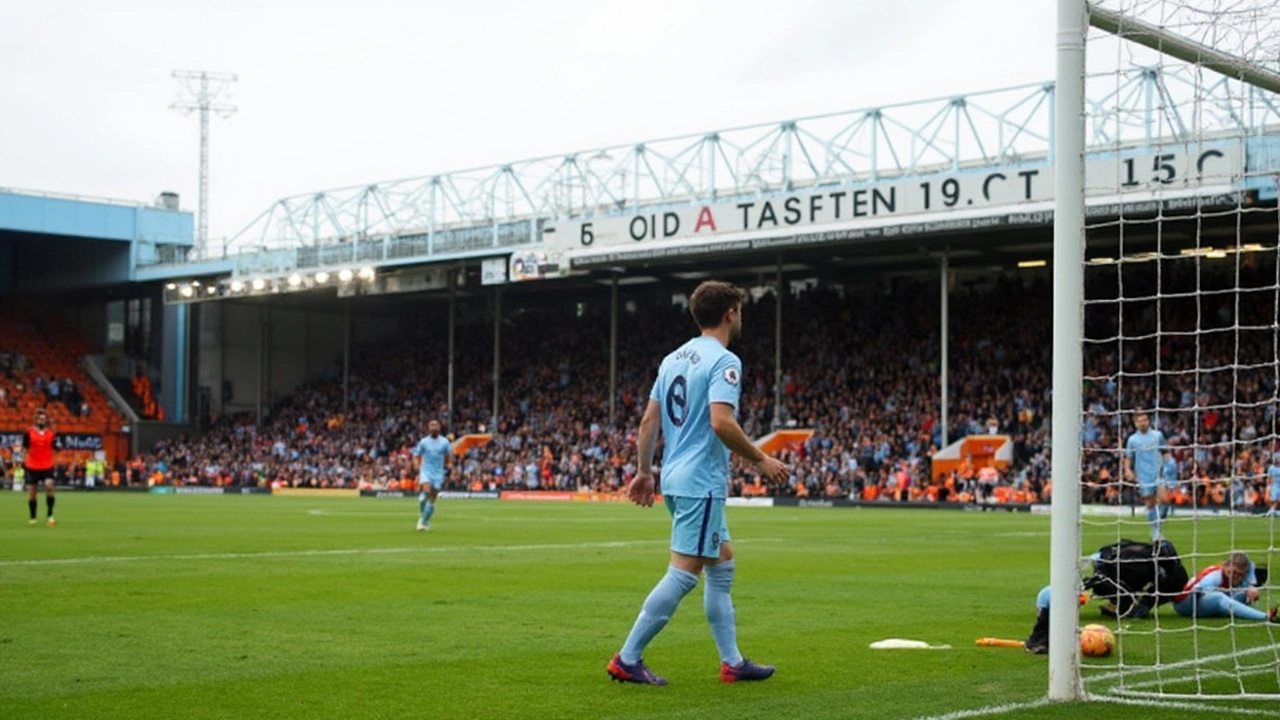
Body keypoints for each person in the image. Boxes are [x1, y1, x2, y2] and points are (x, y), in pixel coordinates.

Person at [607, 280, 789, 686]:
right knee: (684, 573)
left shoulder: (673, 358)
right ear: (729, 313)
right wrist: (760, 459)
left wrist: (643, 470)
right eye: (739, 311)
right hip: (700, 482)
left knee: (722, 566)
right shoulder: (724, 360)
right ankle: (628, 657)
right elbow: (721, 422)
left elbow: (649, 420)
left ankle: (733, 662)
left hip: (674, 476)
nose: (740, 318)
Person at [1173, 551, 1277, 622]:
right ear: (1225, 566)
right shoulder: (1215, 576)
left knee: (1243, 595)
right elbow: (1200, 590)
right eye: (1232, 572)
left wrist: (1251, 586)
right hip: (1187, 604)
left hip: (1204, 598)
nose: (1234, 577)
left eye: (1240, 575)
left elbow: (1251, 564)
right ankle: (1265, 616)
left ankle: (1228, 608)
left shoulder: (1246, 569)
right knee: (1219, 597)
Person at [1123, 412, 1168, 541]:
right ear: (1136, 423)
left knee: (1164, 500)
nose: (1143, 423)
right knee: (1150, 504)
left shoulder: (1157, 436)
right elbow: (1128, 457)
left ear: (1149, 421)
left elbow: (1164, 452)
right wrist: (1128, 470)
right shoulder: (1132, 440)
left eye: (1145, 420)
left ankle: (1158, 525)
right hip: (1143, 476)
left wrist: (1170, 466)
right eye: (1140, 421)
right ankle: (1156, 532)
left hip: (1159, 474)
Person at [411, 420, 452, 531]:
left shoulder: (445, 442)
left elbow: (448, 457)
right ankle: (422, 520)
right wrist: (416, 465)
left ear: (439, 428)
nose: (434, 427)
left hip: (438, 473)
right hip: (426, 471)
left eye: (436, 425)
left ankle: (424, 521)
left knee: (431, 497)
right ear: (428, 428)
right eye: (431, 425)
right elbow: (417, 455)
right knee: (427, 491)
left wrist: (449, 465)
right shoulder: (424, 442)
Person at [24, 408, 57, 527]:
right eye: (40, 419)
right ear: (36, 420)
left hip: (47, 465)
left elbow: (55, 447)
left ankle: (50, 514)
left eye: (44, 419)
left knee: (49, 486)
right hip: (32, 465)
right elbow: (25, 448)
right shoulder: (29, 433)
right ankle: (33, 517)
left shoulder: (51, 434)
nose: (42, 421)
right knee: (33, 492)